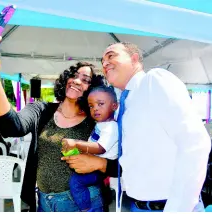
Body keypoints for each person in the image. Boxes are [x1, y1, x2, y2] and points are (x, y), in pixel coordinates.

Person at [63, 42, 211, 212]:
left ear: (134, 58)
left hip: (165, 207)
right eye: (102, 61)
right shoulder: (123, 101)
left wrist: (178, 208)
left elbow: (195, 143)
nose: (104, 64)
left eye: (111, 56)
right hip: (133, 205)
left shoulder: (154, 81)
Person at [0, 22, 106, 212]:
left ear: (91, 89)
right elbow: (11, 126)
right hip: (44, 201)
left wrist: (99, 163)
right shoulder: (41, 110)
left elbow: (114, 155)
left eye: (85, 80)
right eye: (74, 75)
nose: (77, 81)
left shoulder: (95, 119)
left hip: (84, 201)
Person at [62, 85, 118, 211]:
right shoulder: (101, 124)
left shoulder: (111, 127)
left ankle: (85, 208)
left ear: (114, 106)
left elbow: (99, 148)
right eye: (91, 106)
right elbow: (91, 143)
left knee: (76, 182)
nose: (95, 109)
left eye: (100, 104)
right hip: (93, 163)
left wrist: (76, 143)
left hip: (99, 170)